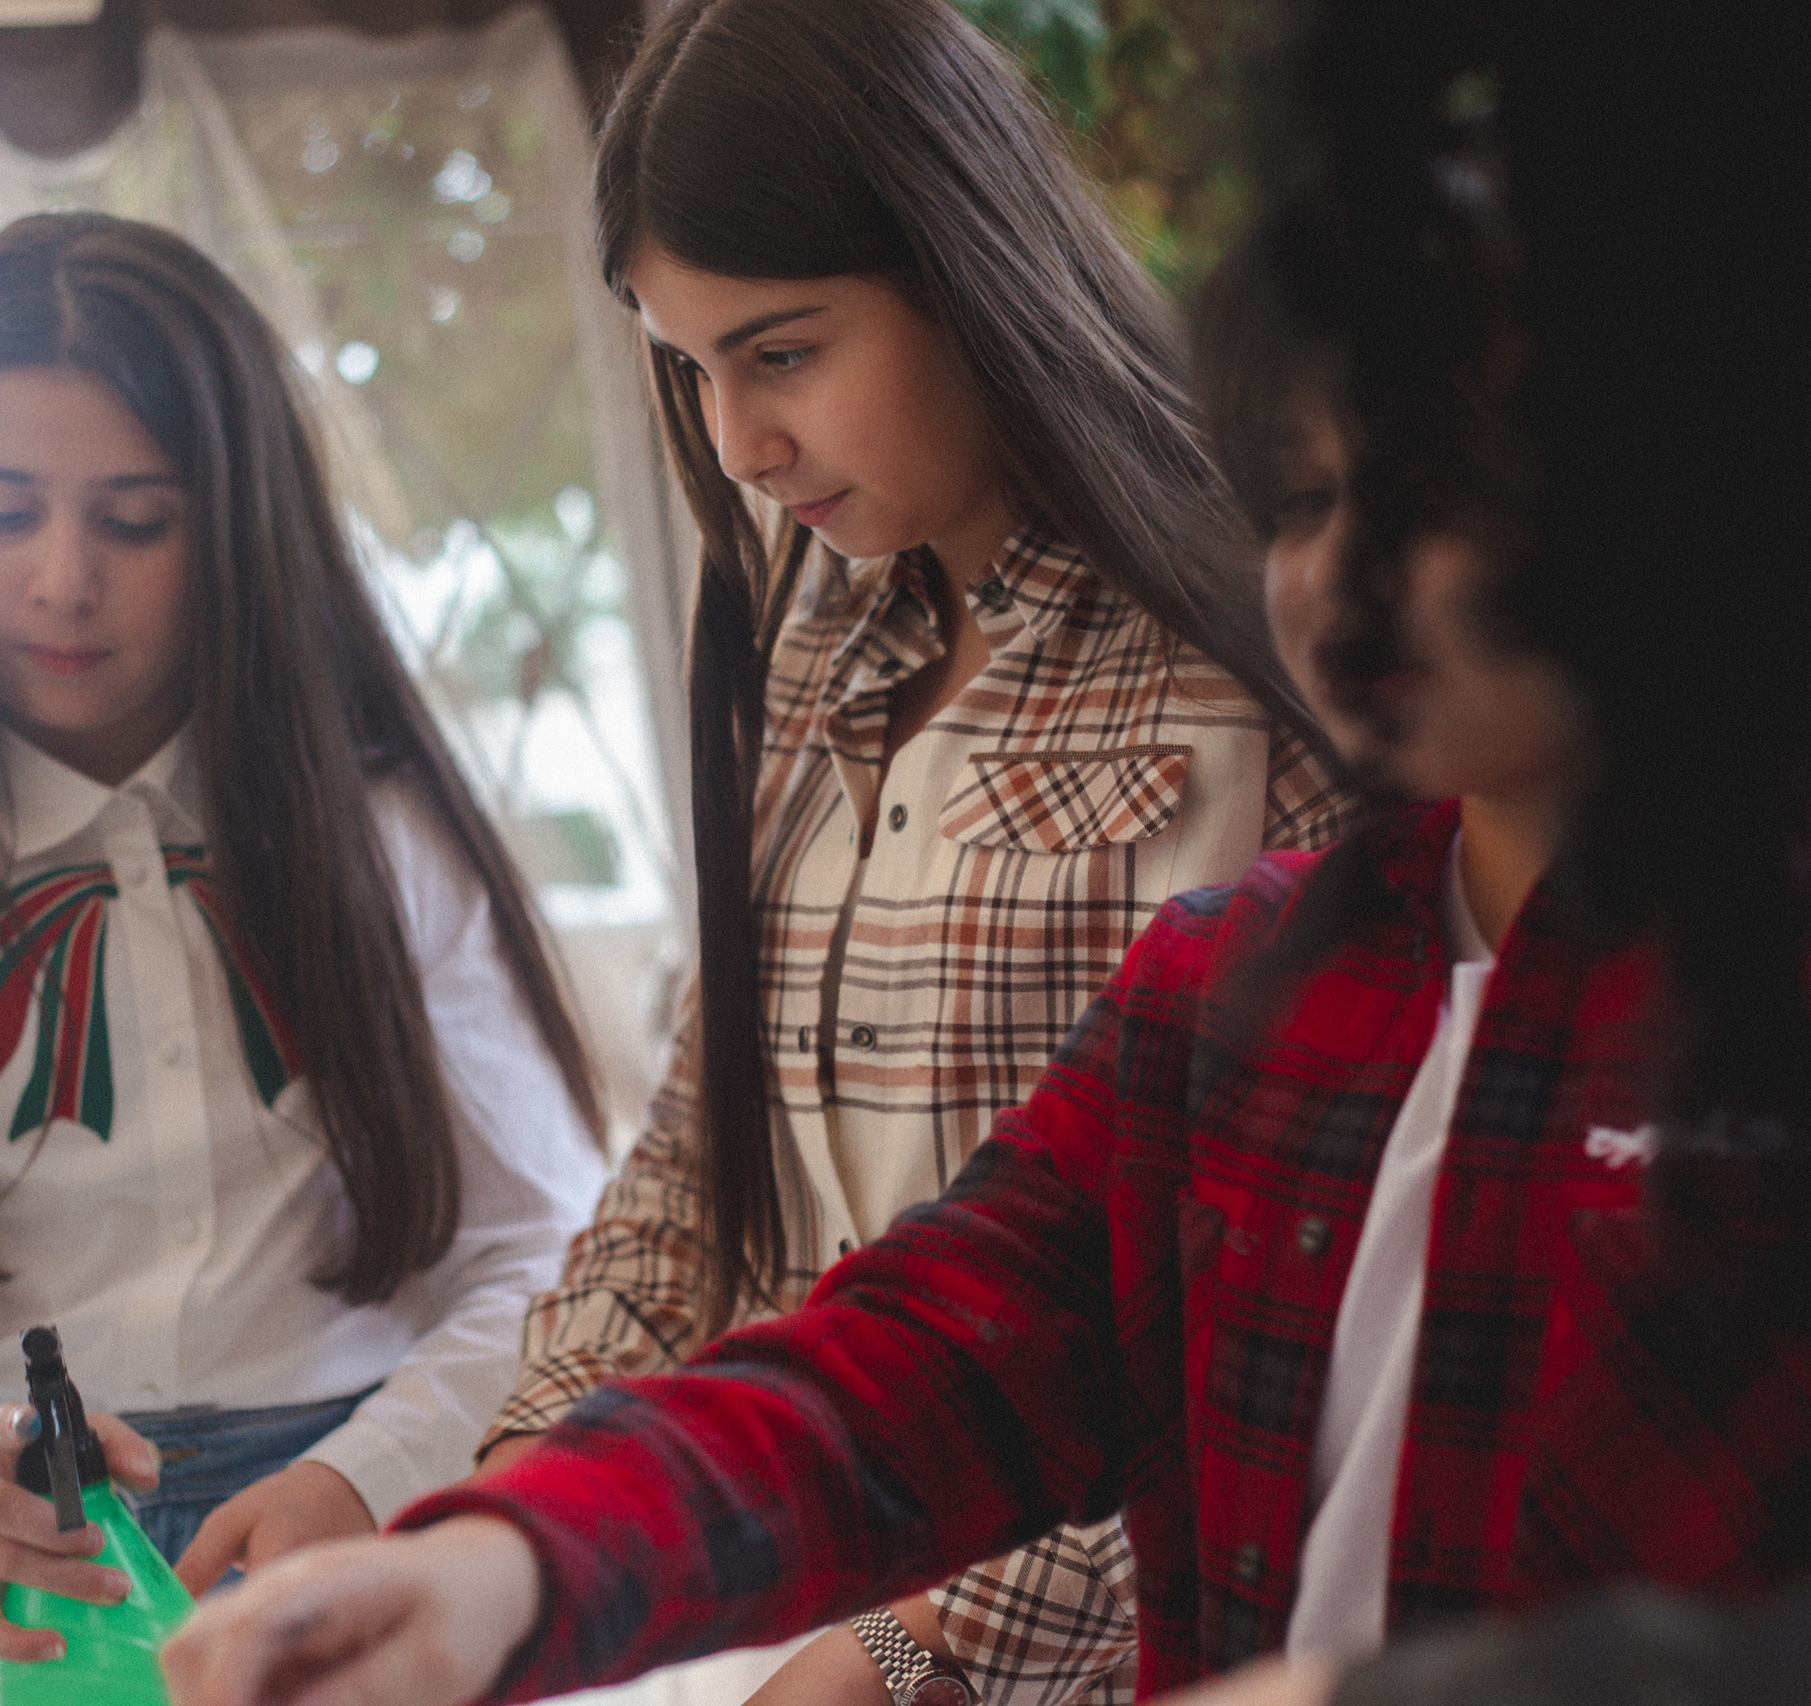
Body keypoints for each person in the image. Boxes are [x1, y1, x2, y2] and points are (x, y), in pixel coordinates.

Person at [153, 2, 1811, 1704]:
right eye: (1307, 492)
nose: (1337, 571)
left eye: (1432, 488)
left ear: (1693, 457)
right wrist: (496, 1549)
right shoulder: (1238, 992)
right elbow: (899, 1362)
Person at [473, 4, 1352, 1704]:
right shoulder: (819, 640)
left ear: (967, 264)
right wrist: (506, 1515)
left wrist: (922, 1647)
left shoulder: (1268, 646)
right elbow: (704, 1154)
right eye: (687, 364)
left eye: (781, 351)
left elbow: (1279, 1299)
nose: (736, 442)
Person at [0, 211, 608, 1706]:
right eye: (1, 512)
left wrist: (370, 1473)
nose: (62, 580)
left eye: (133, 521)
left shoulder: (393, 844)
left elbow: (549, 1253)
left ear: (242, 526)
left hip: (348, 1524)